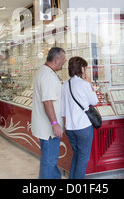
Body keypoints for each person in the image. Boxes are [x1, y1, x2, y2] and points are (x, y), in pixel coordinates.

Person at [31, 47, 67, 179]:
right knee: (49, 162)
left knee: (51, 162)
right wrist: (55, 123)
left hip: (48, 128)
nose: (65, 61)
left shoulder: (47, 72)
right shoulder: (46, 75)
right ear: (56, 60)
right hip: (49, 130)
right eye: (63, 59)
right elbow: (47, 102)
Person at [61, 56, 98, 179]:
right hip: (83, 127)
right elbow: (95, 101)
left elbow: (63, 109)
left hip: (70, 127)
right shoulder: (84, 84)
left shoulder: (65, 84)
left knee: (76, 155)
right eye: (85, 68)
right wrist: (90, 84)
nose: (86, 71)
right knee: (83, 158)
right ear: (81, 68)